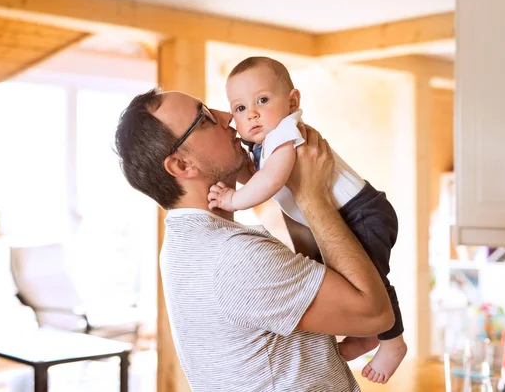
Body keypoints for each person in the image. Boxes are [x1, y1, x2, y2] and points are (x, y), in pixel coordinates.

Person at [114, 87, 394, 392]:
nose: (227, 116)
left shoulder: (186, 246)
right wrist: (314, 198)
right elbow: (375, 315)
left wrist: (286, 186)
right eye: (205, 118)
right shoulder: (233, 256)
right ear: (182, 166)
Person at [208, 56, 407, 383]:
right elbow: (257, 175)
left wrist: (232, 199)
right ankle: (371, 332)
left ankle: (393, 342)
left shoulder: (285, 133)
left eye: (262, 100)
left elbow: (270, 180)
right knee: (351, 282)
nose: (252, 113)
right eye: (240, 108)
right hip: (349, 215)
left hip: (362, 213)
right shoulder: (264, 143)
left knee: (369, 280)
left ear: (292, 102)